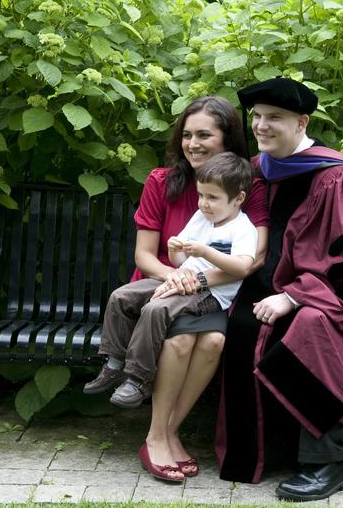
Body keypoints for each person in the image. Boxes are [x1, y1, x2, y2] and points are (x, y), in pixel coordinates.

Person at [215, 78, 343, 501]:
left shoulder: (334, 177)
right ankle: (263, 452)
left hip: (337, 304)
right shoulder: (259, 171)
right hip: (263, 289)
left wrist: (292, 296)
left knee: (309, 327)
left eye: (274, 117)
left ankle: (327, 461)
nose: (261, 125)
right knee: (239, 323)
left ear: (302, 121)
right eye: (256, 117)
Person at [86, 97, 269, 483]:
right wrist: (175, 276)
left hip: (210, 290)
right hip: (163, 285)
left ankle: (167, 432)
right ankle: (155, 433)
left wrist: (197, 279)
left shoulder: (244, 184)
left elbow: (252, 258)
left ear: (227, 139)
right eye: (187, 135)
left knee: (213, 342)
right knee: (181, 342)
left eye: (205, 135)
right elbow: (144, 255)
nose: (193, 144)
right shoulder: (161, 181)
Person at [84, 152, 258, 410]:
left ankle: (138, 380)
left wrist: (205, 252)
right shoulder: (202, 218)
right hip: (182, 279)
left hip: (210, 293)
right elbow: (179, 262)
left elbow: (243, 267)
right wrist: (175, 247)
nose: (203, 204)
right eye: (200, 195)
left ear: (238, 199)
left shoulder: (243, 229)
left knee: (155, 309)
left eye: (212, 198)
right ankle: (114, 364)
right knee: (121, 296)